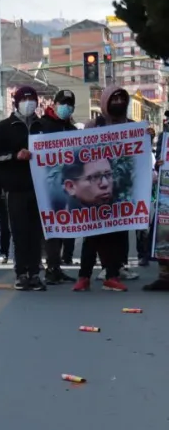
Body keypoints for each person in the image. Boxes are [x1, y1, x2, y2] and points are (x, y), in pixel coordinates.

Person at [72, 85, 146, 292]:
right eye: (113, 100)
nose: (117, 103)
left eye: (121, 99)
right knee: (92, 233)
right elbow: (80, 154)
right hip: (96, 188)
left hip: (118, 188)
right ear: (105, 102)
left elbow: (137, 158)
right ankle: (84, 276)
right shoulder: (94, 125)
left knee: (115, 233)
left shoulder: (132, 126)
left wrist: (145, 136)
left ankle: (112, 274)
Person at [0, 85, 47, 291]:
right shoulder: (5, 126)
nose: (28, 103)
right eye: (24, 99)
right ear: (16, 103)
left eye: (32, 100)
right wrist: (14, 156)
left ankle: (35, 273)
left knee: (36, 233)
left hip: (39, 189)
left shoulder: (42, 126)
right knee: (20, 232)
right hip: (15, 189)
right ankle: (21, 273)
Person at [39, 90, 78, 284]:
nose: (66, 107)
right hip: (46, 186)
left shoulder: (72, 130)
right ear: (54, 104)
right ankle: (49, 267)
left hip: (67, 187)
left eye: (69, 104)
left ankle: (55, 266)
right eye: (63, 103)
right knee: (50, 228)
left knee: (61, 227)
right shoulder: (42, 126)